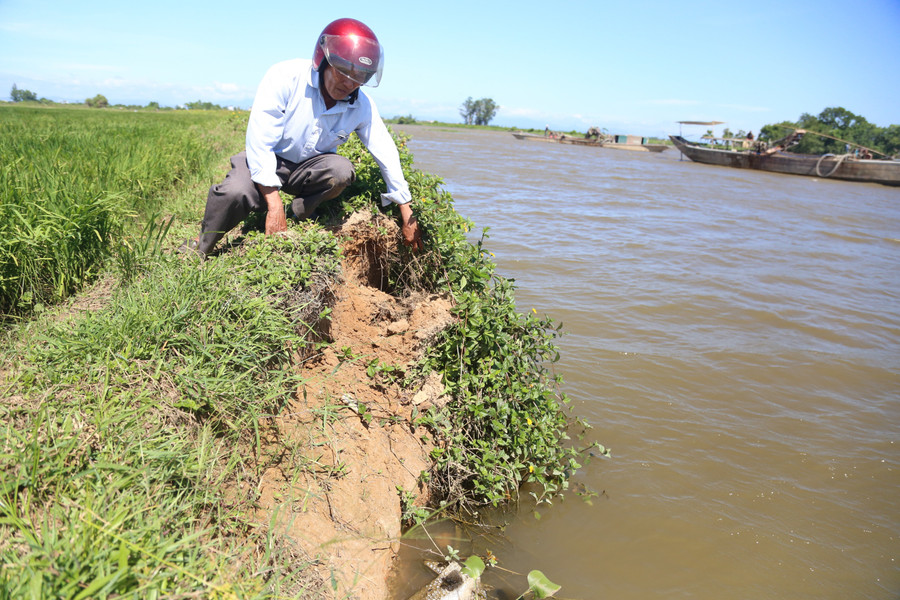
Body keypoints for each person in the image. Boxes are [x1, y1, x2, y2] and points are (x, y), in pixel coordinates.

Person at [189, 17, 422, 256]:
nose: (350, 83)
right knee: (235, 191)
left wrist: (405, 208)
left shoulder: (362, 105)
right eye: (342, 71)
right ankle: (201, 245)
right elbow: (260, 142)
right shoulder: (285, 77)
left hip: (307, 169)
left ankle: (297, 215)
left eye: (360, 75)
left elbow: (384, 149)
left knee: (341, 170)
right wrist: (274, 203)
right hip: (269, 157)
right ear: (323, 60)